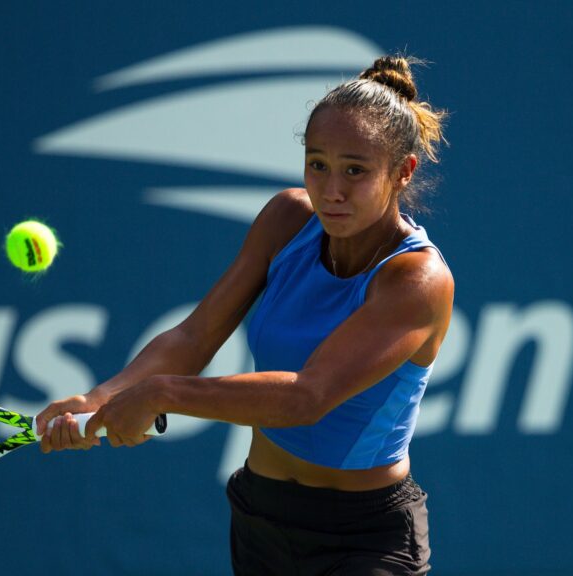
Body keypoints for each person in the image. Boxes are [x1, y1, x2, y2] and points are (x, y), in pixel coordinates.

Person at [35, 55, 453, 576]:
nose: (331, 190)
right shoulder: (287, 219)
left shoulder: (417, 281)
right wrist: (103, 397)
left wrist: (162, 394)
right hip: (261, 520)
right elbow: (195, 334)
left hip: (364, 539)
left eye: (355, 171)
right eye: (317, 163)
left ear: (402, 172)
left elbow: (308, 397)